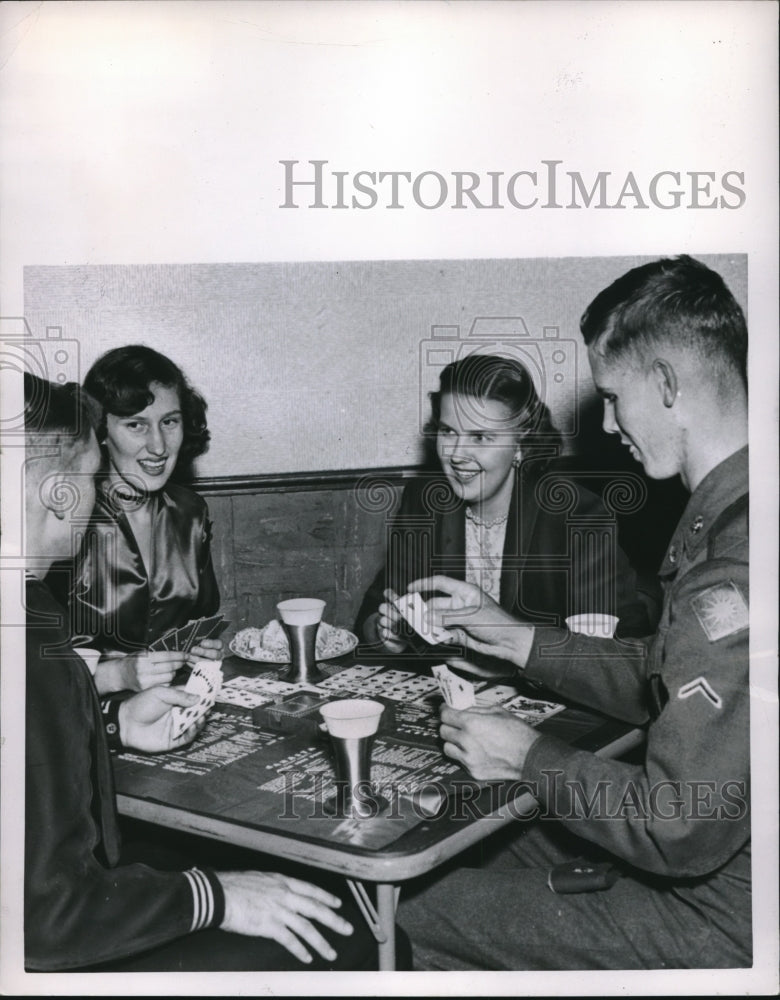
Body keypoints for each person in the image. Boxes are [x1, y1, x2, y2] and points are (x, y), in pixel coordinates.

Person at [396, 255, 750, 969]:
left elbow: (677, 825)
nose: (611, 423)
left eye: (615, 397)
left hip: (727, 913)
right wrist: (513, 635)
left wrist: (524, 753)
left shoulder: (735, 563)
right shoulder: (736, 515)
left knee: (421, 908)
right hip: (726, 861)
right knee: (471, 838)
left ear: (666, 384)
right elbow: (660, 670)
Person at [24, 372, 386, 972]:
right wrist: (215, 896)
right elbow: (49, 919)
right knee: (349, 928)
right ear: (52, 492)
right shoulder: (27, 634)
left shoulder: (29, 604)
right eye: (90, 479)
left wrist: (114, 726)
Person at [356, 353, 654, 667]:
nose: (457, 454)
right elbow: (375, 609)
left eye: (480, 437)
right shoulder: (424, 501)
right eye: (448, 432)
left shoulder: (578, 515)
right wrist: (386, 632)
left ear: (521, 444)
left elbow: (623, 648)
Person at [51, 345, 223, 695]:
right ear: (101, 430)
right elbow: (32, 680)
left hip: (171, 706)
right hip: (85, 721)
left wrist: (197, 652)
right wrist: (114, 676)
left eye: (169, 422)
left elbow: (198, 620)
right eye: (136, 425)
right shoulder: (64, 519)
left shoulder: (191, 511)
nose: (158, 446)